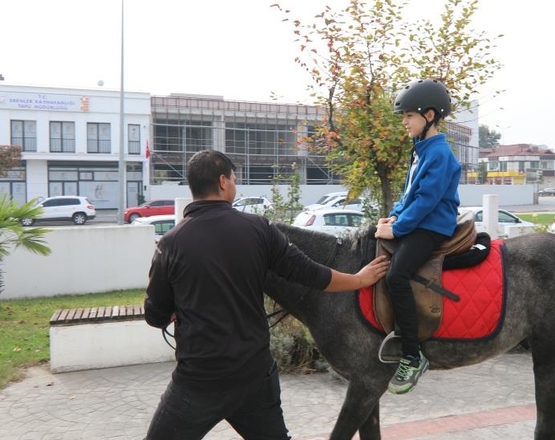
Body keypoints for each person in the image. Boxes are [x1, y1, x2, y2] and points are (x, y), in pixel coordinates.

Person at [143, 150, 389, 440]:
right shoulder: (258, 229)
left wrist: (173, 310)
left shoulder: (171, 244)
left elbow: (155, 315)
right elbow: (310, 274)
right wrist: (359, 279)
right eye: (234, 178)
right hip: (254, 379)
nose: (235, 185)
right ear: (222, 182)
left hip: (197, 382)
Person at [375, 79, 461, 395]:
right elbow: (410, 193)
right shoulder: (422, 148)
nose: (404, 122)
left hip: (432, 227)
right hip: (417, 221)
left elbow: (426, 200)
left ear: (428, 115)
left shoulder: (439, 153)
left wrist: (398, 229)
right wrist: (395, 214)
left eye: (408, 116)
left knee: (396, 275)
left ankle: (412, 355)